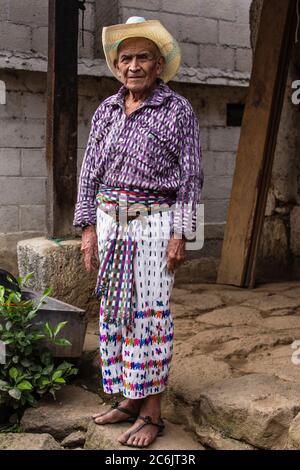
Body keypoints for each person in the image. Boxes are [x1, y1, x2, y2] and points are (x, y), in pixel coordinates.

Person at [73, 16, 204, 448]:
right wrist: (88, 228)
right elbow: (89, 173)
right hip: (110, 223)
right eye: (125, 58)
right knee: (116, 313)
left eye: (142, 57)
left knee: (149, 316)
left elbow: (190, 179)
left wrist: (181, 234)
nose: (133, 65)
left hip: (153, 225)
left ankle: (153, 414)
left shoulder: (177, 110)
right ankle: (129, 400)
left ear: (159, 63)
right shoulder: (107, 110)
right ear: (116, 65)